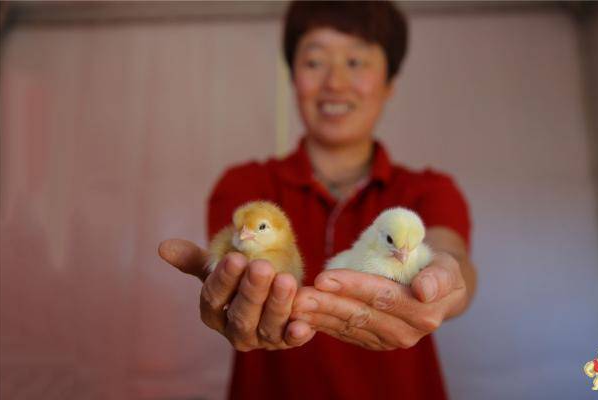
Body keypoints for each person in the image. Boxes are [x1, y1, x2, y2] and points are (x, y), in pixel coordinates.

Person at [158, 1, 477, 399]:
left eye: (356, 61)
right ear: (293, 77)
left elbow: (452, 257)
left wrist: (444, 283)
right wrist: (230, 288)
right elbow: (233, 270)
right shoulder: (247, 187)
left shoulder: (427, 191)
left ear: (389, 82)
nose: (335, 82)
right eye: (314, 61)